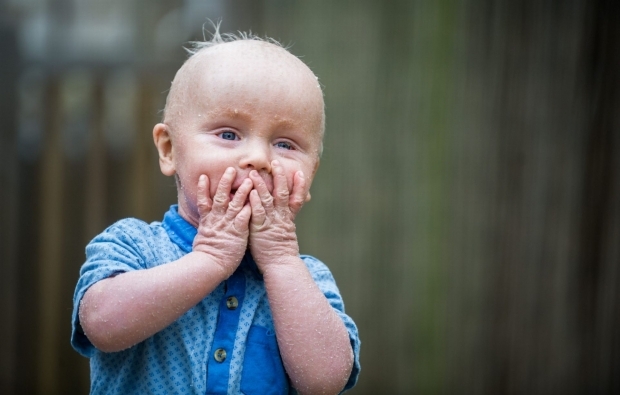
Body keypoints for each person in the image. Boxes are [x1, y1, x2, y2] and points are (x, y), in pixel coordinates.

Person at [71, 28, 361, 395]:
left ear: (310, 174)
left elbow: (325, 381)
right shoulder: (134, 245)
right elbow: (101, 324)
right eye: (228, 135)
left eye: (285, 144)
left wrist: (281, 262)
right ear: (169, 149)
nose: (259, 158)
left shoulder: (306, 278)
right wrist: (208, 260)